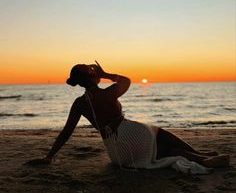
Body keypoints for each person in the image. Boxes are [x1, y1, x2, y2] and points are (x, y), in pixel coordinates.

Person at [33, 61, 229, 170]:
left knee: (161, 146)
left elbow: (66, 132)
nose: (94, 70)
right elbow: (127, 80)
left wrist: (49, 156)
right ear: (92, 77)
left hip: (117, 153)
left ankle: (199, 155)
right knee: (161, 137)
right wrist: (107, 73)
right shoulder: (108, 92)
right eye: (92, 69)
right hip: (129, 133)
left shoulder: (80, 103)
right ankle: (201, 159)